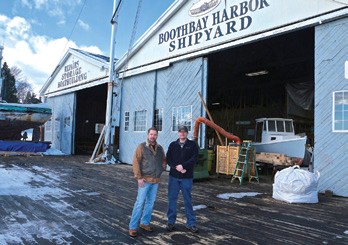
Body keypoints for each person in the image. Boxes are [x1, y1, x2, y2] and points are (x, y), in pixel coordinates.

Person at [128, 127, 166, 237]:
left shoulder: (159, 148)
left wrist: (161, 168)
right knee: (139, 203)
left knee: (150, 203)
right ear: (148, 135)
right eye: (151, 134)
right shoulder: (141, 147)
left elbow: (163, 159)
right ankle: (133, 227)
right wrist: (139, 177)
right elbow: (135, 162)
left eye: (155, 134)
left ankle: (144, 223)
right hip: (144, 180)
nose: (153, 136)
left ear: (157, 136)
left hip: (155, 180)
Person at [166, 125, 199, 233]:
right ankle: (171, 222)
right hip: (174, 177)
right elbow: (168, 159)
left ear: (187, 133)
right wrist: (178, 168)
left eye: (184, 132)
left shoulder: (192, 145)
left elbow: (194, 159)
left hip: (187, 177)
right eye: (180, 132)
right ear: (178, 133)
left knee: (188, 200)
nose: (182, 134)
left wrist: (183, 166)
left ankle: (191, 223)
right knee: (172, 199)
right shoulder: (173, 145)